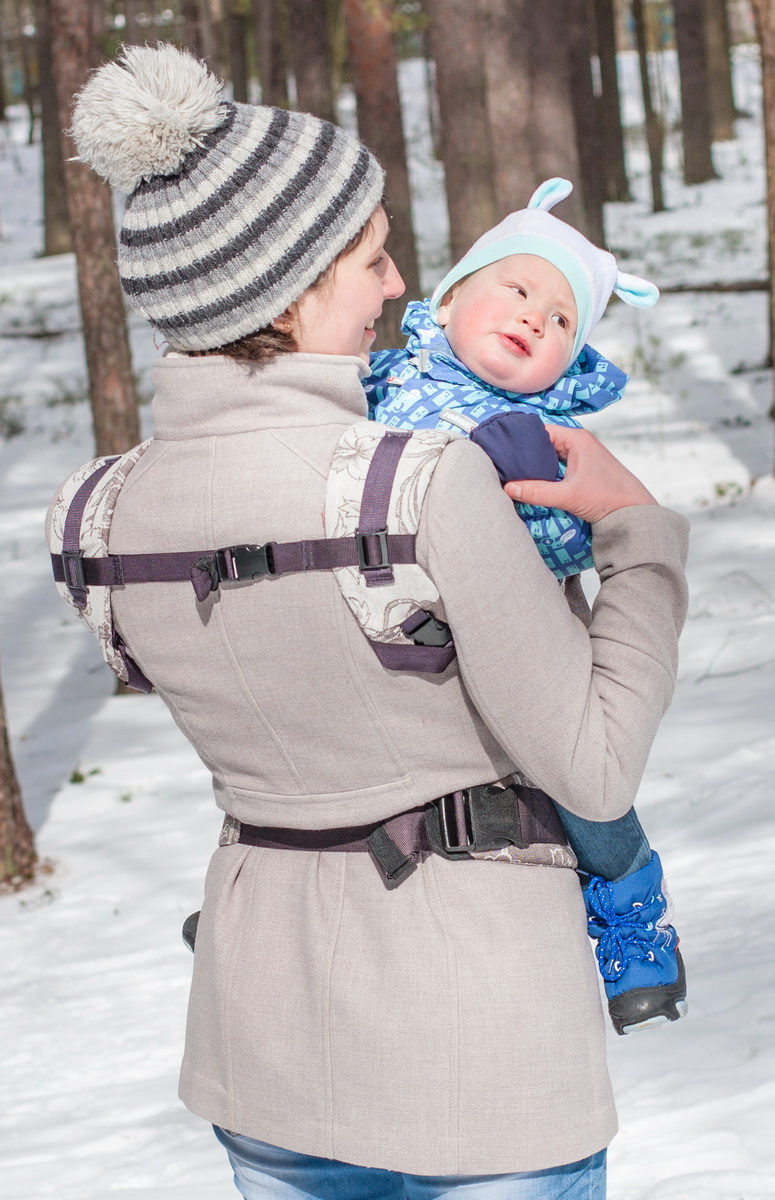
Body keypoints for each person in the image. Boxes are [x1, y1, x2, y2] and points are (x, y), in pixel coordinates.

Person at [57, 44, 689, 1200]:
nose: (397, 284)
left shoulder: (100, 512)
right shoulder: (418, 483)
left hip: (263, 1052)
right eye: (371, 258)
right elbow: (593, 770)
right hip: (478, 1059)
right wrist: (639, 536)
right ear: (288, 287)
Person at [366, 189, 686, 1034]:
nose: (532, 320)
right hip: (382, 622)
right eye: (515, 290)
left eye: (557, 323)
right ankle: (277, 896)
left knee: (573, 772)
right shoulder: (377, 377)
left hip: (521, 635)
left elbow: (558, 542)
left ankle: (628, 900)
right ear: (453, 295)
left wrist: (512, 503)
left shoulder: (533, 429)